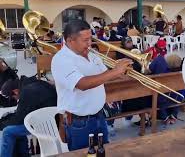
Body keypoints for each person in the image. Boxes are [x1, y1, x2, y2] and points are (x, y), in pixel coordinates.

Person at [51, 19, 132, 151]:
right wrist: (115, 72)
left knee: (102, 152)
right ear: (70, 41)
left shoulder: (92, 54)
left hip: (100, 115)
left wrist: (120, 73)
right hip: (79, 122)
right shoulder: (61, 59)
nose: (90, 43)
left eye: (90, 38)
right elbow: (82, 84)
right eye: (85, 40)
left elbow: (104, 75)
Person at [0, 76, 57, 156]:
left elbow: (18, 119)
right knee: (15, 129)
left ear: (15, 91)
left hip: (48, 125)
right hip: (52, 118)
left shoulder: (27, 92)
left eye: (13, 97)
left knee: (7, 131)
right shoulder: (33, 84)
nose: (15, 99)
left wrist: (2, 124)